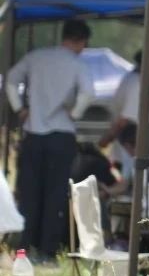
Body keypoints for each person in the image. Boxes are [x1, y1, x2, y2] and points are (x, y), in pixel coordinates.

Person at [6, 19, 95, 258]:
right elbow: (88, 93)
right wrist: (74, 113)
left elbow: (11, 79)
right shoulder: (77, 64)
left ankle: (23, 247)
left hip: (33, 133)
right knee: (55, 194)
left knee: (28, 193)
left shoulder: (37, 57)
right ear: (81, 41)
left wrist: (20, 109)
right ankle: (47, 251)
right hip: (62, 134)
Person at [98, 45, 149, 183]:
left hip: (143, 149)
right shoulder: (138, 83)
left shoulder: (148, 83)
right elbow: (125, 120)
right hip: (132, 152)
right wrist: (105, 140)